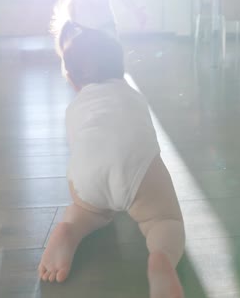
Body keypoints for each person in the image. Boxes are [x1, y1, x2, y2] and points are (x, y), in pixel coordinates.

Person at [38, 21, 185, 298]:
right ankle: (161, 259)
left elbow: (81, 148)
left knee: (89, 211)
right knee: (164, 221)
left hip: (86, 178)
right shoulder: (134, 97)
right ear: (121, 67)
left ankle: (70, 230)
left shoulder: (74, 107)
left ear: (71, 79)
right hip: (139, 173)